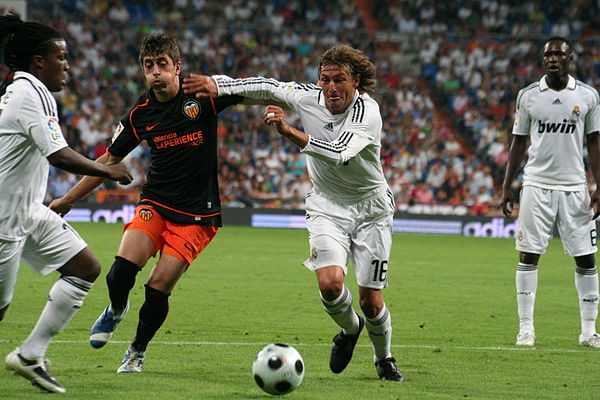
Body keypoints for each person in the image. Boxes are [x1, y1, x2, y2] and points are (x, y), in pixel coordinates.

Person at [183, 44, 404, 381]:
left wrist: (289, 132)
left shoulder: (367, 112)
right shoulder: (308, 97)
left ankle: (383, 357)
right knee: (330, 285)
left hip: (371, 210)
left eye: (339, 80)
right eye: (325, 80)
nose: (331, 88)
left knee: (372, 301)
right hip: (327, 206)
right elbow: (269, 86)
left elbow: (340, 153)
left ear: (355, 81)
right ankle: (350, 328)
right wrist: (220, 85)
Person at [49, 34, 244, 374]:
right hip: (156, 201)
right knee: (119, 272)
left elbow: (253, 91)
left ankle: (137, 350)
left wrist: (290, 102)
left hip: (198, 215)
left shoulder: (203, 95)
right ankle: (116, 308)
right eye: (148, 66)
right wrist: (68, 199)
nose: (155, 72)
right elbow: (108, 158)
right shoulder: (140, 113)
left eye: (162, 65)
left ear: (177, 67)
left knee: (157, 288)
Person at [0, 15, 132, 393]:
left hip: (27, 210)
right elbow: (58, 155)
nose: (68, 66)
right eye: (61, 57)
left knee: (84, 266)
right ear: (39, 61)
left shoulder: (20, 88)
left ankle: (29, 355)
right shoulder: (32, 92)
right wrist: (109, 171)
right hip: (5, 218)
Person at [501, 36, 600, 348]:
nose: (553, 59)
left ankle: (588, 331)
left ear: (570, 58)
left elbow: (595, 141)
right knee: (528, 255)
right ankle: (526, 329)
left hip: (575, 187)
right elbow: (518, 141)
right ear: (542, 60)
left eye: (559, 54)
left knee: (586, 259)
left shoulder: (588, 96)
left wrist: (599, 185)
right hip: (537, 184)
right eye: (548, 55)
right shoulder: (528, 96)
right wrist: (507, 185)